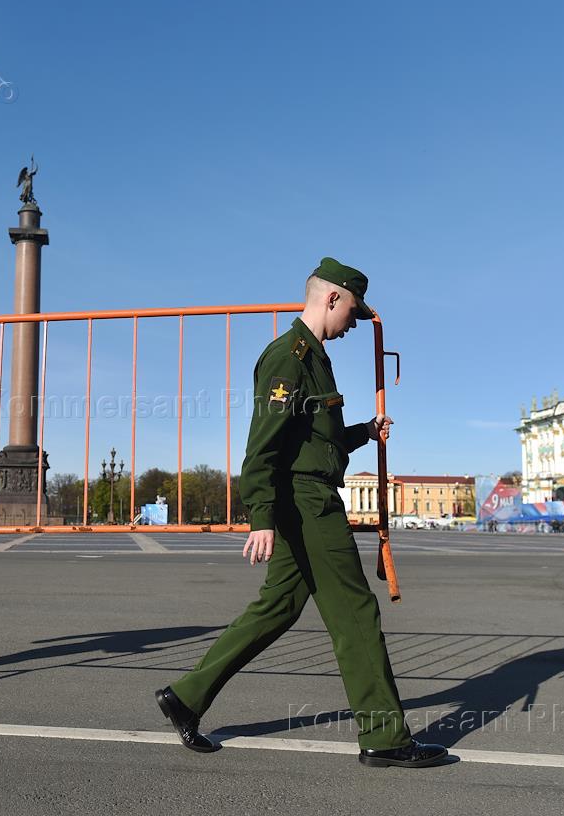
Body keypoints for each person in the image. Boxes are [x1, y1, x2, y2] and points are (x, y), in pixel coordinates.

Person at [155, 258, 447, 769]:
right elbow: (262, 446)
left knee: (277, 608)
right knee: (355, 614)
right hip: (307, 503)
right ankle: (384, 736)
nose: (353, 324)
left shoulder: (313, 358)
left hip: (306, 495)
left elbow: (316, 442)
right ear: (332, 298)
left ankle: (186, 696)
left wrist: (363, 432)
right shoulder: (289, 358)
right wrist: (261, 517)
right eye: (353, 311)